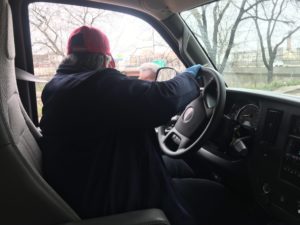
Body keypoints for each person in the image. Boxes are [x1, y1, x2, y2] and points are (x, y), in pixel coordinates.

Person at [40, 26, 240, 225]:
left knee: (182, 166)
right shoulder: (98, 84)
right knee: (216, 194)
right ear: (107, 60)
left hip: (89, 182)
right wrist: (189, 77)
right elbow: (163, 99)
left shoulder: (57, 86)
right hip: (113, 200)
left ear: (70, 57)